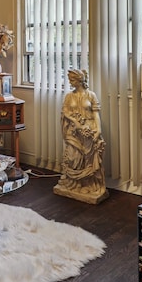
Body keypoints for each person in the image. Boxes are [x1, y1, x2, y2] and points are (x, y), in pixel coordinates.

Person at [55, 69, 108, 200]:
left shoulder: (91, 95)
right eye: (70, 79)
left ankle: (88, 185)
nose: (70, 82)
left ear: (80, 80)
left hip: (88, 130)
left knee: (89, 159)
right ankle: (73, 183)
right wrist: (75, 122)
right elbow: (65, 112)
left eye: (72, 80)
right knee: (73, 158)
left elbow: (96, 114)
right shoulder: (69, 96)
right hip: (73, 131)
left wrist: (98, 130)